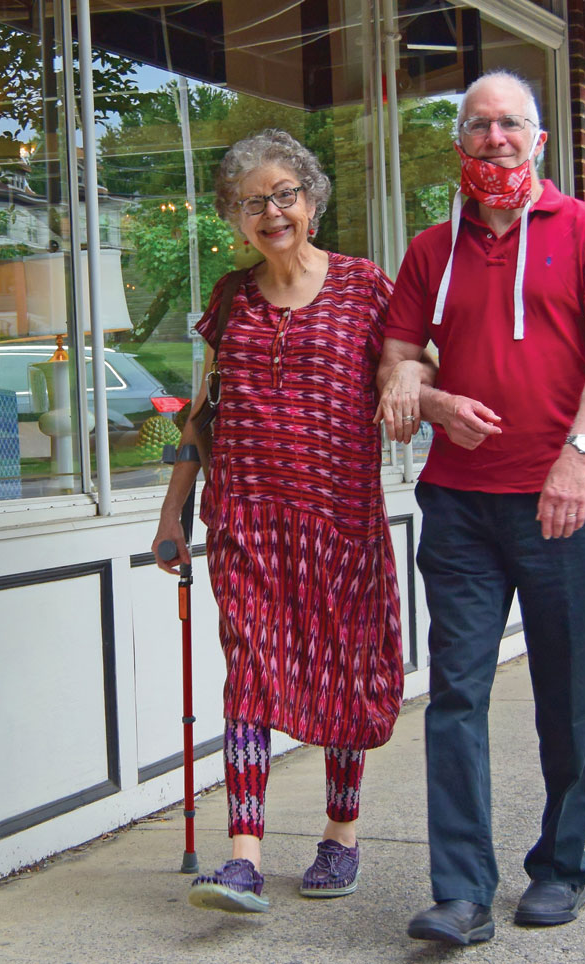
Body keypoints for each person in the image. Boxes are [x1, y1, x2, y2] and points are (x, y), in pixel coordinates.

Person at [375, 70, 585, 945]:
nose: (495, 138)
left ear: (540, 139)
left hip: (566, 504)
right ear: (460, 142)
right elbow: (400, 362)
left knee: (567, 697)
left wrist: (575, 459)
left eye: (510, 124)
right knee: (455, 694)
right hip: (459, 507)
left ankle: (561, 869)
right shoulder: (429, 248)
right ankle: (460, 891)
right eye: (479, 125)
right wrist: (434, 400)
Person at [153, 129, 406, 914]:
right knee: (250, 679)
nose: (271, 213)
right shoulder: (231, 298)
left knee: (342, 673)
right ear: (234, 216)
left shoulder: (367, 287)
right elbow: (204, 415)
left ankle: (340, 835)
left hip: (340, 520)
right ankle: (243, 857)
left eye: (283, 195)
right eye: (251, 202)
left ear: (311, 199)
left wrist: (413, 387)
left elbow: (408, 368)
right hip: (248, 519)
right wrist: (171, 511)